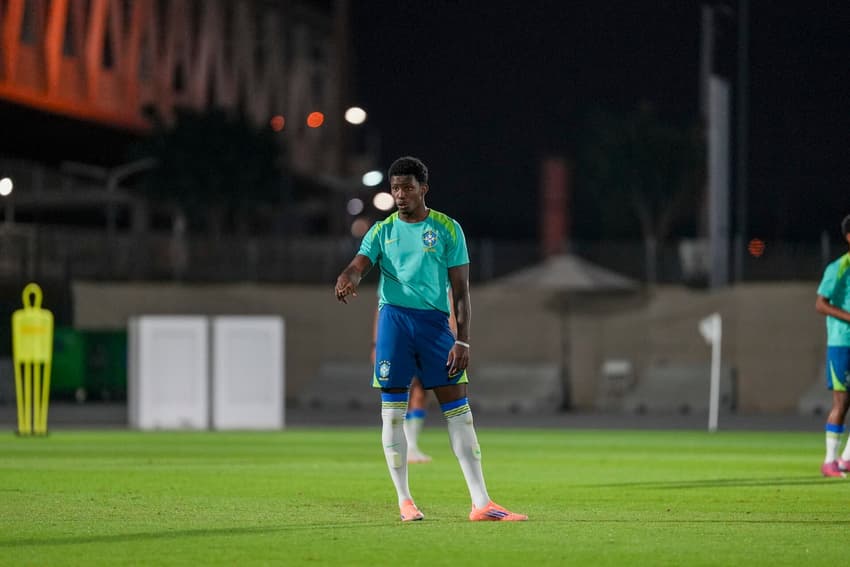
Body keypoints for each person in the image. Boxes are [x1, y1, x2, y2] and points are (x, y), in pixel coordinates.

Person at [335, 156, 527, 522]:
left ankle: (481, 503)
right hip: (394, 321)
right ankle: (405, 501)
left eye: (407, 187)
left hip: (436, 327)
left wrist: (463, 340)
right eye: (394, 188)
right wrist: (347, 278)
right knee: (392, 415)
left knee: (460, 413)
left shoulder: (447, 229)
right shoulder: (381, 231)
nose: (400, 194)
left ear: (424, 188)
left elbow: (461, 291)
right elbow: (358, 266)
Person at [370, 292, 457, 464]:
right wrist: (376, 344)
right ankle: (402, 446)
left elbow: (452, 308)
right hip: (403, 338)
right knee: (404, 391)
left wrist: (454, 340)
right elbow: (381, 310)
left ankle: (412, 445)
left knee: (421, 393)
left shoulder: (441, 277)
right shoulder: (395, 278)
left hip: (432, 338)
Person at [816, 214, 850, 478]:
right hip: (842, 343)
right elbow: (820, 304)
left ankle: (846, 459)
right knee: (842, 403)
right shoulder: (839, 267)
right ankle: (829, 461)